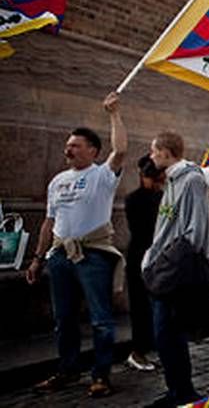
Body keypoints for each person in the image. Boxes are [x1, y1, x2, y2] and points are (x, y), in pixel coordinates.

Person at [26, 92, 127, 398]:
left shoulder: (102, 176)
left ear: (93, 151)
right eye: (67, 145)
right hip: (59, 257)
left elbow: (120, 149)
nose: (67, 150)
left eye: (75, 146)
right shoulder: (57, 181)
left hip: (92, 255)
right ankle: (67, 371)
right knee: (63, 319)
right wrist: (37, 258)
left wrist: (114, 114)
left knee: (100, 320)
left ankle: (101, 375)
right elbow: (48, 223)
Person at [143, 131, 209, 407]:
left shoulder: (193, 180)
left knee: (168, 334)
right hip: (161, 269)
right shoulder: (171, 181)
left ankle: (184, 394)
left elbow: (196, 231)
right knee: (165, 336)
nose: (150, 156)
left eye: (153, 151)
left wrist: (167, 264)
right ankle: (177, 391)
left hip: (175, 273)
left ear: (165, 152)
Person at [123, 154, 164, 372]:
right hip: (140, 256)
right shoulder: (135, 199)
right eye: (154, 178)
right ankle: (138, 351)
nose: (158, 183)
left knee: (153, 307)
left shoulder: (162, 197)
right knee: (140, 306)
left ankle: (148, 348)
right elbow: (143, 230)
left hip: (155, 256)